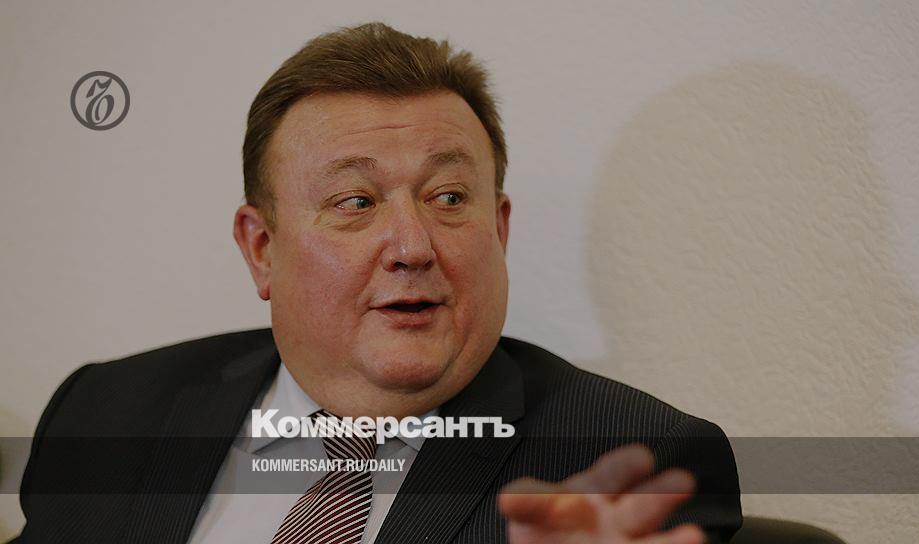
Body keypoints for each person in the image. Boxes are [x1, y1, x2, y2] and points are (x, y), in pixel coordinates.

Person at [11, 22, 741, 544]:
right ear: (262, 249)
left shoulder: (628, 461)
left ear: (499, 230)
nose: (412, 247)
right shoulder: (106, 411)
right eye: (355, 202)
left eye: (448, 198)